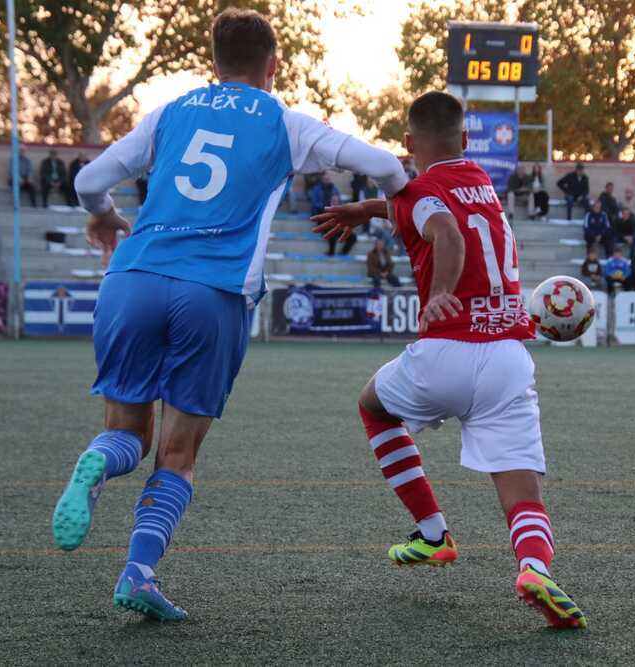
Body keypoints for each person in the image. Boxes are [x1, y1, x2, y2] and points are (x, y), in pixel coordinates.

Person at [54, 7, 411, 621]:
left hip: (132, 278)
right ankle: (137, 571)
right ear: (273, 65)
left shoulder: (171, 113)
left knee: (126, 434)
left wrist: (108, 216)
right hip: (212, 291)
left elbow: (89, 179)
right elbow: (385, 167)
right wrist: (400, 194)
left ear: (211, 62)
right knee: (178, 455)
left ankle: (98, 462)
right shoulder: (286, 122)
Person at [311, 90, 586, 629]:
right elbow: (434, 211)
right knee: (521, 490)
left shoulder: (417, 190)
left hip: (445, 349)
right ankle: (535, 568)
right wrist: (367, 209)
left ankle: (432, 531)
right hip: (508, 356)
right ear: (464, 140)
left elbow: (445, 230)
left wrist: (440, 290)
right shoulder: (480, 179)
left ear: (409, 144)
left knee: (373, 407)